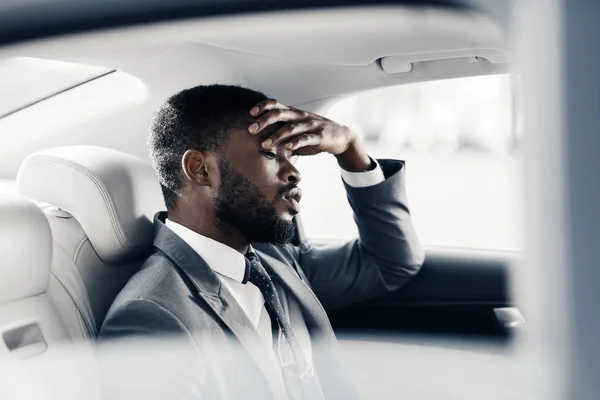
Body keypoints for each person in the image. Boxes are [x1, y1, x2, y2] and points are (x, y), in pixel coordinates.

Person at [98, 84, 424, 400]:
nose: (294, 172)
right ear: (200, 169)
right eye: (270, 154)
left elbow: (391, 263)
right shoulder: (152, 317)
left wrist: (351, 149)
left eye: (292, 156)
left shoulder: (274, 261)